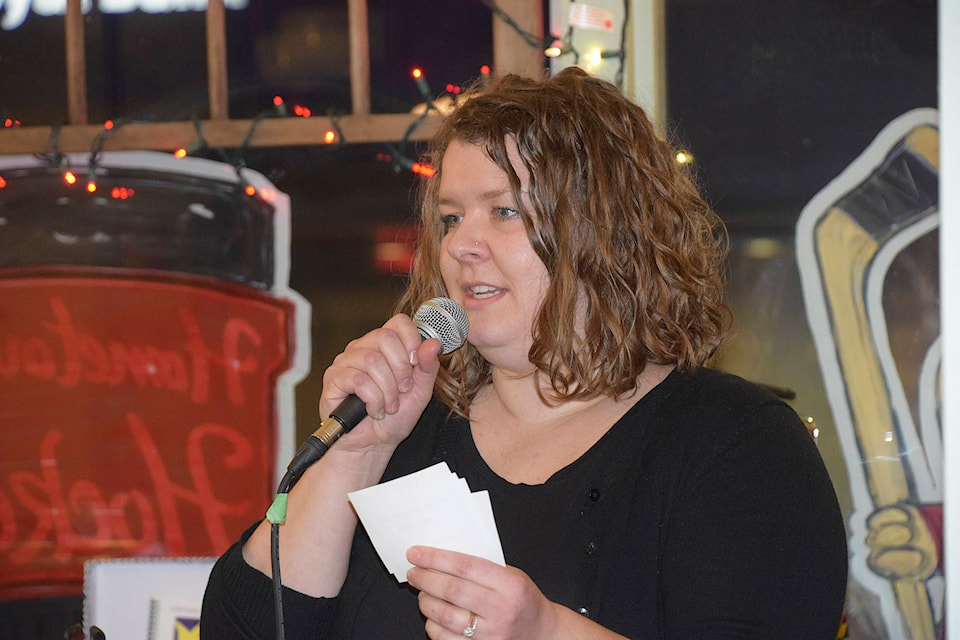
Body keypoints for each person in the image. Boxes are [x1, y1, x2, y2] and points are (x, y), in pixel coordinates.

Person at [201, 67, 848, 639]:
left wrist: (545, 633)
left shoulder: (737, 444)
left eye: (503, 211)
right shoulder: (404, 431)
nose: (460, 247)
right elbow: (244, 630)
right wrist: (351, 459)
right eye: (451, 218)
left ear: (606, 230)